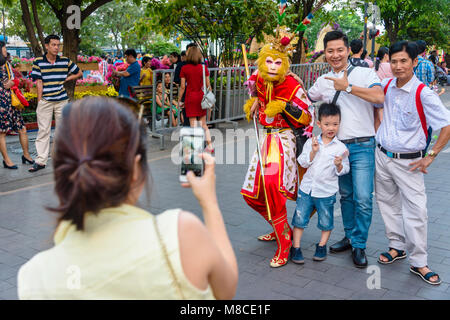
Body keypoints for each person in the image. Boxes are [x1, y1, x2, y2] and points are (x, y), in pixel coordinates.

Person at [17, 97, 238, 299]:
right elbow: (226, 291)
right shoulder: (180, 234)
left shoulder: (33, 278)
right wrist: (209, 202)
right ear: (135, 169)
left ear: (61, 173)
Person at [374, 41, 450, 285]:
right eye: (394, 61)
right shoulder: (386, 85)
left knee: (416, 211)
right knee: (387, 204)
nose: (398, 66)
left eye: (403, 61)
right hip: (382, 156)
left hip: (410, 163)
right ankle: (397, 246)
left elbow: (446, 126)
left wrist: (432, 155)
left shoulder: (423, 93)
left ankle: (420, 262)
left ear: (414, 62)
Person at [307, 30, 384, 268]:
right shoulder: (323, 81)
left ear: (348, 50)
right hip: (337, 149)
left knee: (362, 198)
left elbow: (379, 97)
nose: (335, 55)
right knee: (346, 197)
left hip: (362, 146)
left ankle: (360, 244)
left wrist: (348, 87)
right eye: (330, 51)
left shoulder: (364, 72)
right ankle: (350, 237)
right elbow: (305, 97)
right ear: (325, 53)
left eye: (340, 49)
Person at [241, 27, 314, 268]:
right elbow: (259, 100)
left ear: (284, 63)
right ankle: (278, 226)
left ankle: (285, 241)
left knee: (272, 186)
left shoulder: (292, 84)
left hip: (283, 140)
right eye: (268, 61)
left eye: (277, 62)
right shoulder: (259, 79)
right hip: (265, 139)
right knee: (252, 195)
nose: (272, 66)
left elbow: (307, 117)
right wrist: (255, 103)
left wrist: (284, 106)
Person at [291, 103, 349, 264]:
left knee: (326, 221)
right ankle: (295, 247)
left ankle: (322, 246)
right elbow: (302, 162)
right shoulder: (312, 142)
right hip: (307, 190)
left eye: (335, 124)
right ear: (319, 124)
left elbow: (344, 170)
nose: (331, 128)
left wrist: (339, 164)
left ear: (339, 124)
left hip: (326, 192)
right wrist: (313, 152)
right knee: (299, 219)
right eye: (327, 124)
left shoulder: (341, 147)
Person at [29, 34, 82, 172]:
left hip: (61, 101)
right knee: (43, 131)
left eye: (58, 45)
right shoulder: (38, 61)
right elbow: (39, 83)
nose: (56, 47)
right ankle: (41, 161)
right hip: (45, 101)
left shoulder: (65, 61)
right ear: (46, 46)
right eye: (53, 45)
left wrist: (68, 78)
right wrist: (40, 101)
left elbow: (79, 73)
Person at [0, 41, 34, 169]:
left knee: (22, 128)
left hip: (12, 100)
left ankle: (26, 155)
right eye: (4, 47)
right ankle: (7, 160)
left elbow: (14, 78)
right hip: (1, 102)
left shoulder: (7, 64)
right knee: (2, 132)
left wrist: (12, 82)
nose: (5, 49)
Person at [178, 46, 214, 151]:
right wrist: (209, 98)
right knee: (203, 124)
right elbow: (208, 85)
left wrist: (179, 99)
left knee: (192, 124)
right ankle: (210, 145)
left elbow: (183, 87)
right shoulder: (203, 68)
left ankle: (194, 147)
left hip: (190, 97)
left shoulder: (184, 68)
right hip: (201, 97)